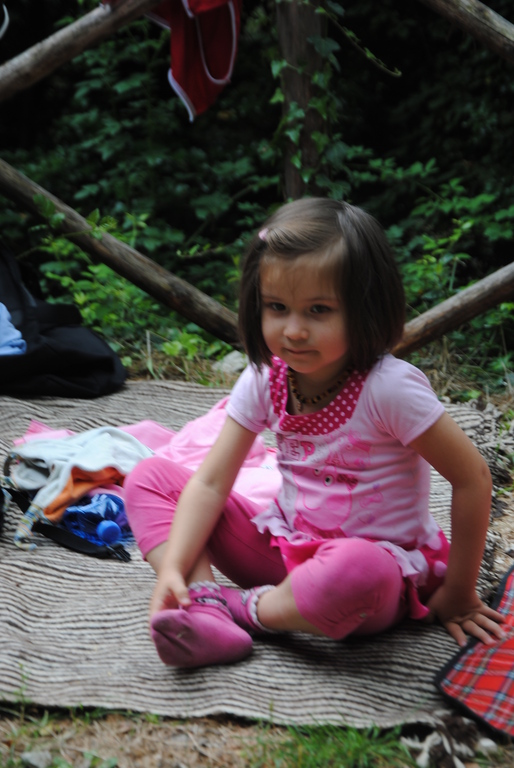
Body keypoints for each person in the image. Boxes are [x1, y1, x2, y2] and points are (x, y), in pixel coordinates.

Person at [124, 197, 504, 668]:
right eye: (277, 307)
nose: (294, 330)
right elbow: (211, 482)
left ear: (366, 310)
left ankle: (243, 609)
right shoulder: (265, 378)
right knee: (148, 478)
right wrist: (174, 567)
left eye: (318, 310)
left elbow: (472, 478)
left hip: (374, 578)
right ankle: (201, 601)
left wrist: (460, 591)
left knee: (356, 569)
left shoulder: (389, 388)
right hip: (282, 550)